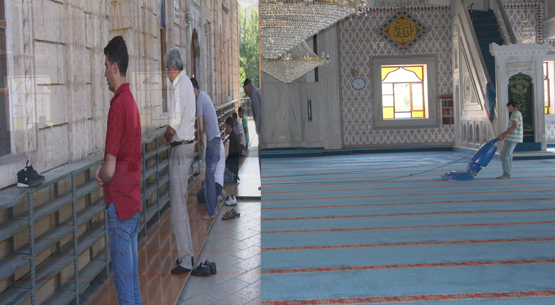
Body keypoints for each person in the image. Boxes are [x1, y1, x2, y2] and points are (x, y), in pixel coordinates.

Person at [95, 36, 142, 304]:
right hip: (132, 204)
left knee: (124, 290)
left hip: (120, 209)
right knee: (133, 285)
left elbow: (110, 169)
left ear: (114, 66)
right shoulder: (132, 104)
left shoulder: (117, 106)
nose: (103, 74)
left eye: (104, 66)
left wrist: (99, 175)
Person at [163, 48, 196, 274]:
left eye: (166, 69)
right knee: (181, 205)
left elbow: (172, 127)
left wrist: (166, 138)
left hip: (180, 148)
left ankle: (186, 259)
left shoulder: (178, 87)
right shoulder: (186, 85)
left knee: (177, 207)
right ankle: (188, 254)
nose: (166, 73)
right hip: (187, 147)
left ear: (173, 67)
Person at [190, 77, 220, 220]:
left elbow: (200, 127)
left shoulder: (200, 99)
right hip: (215, 141)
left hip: (213, 143)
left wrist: (199, 142)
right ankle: (213, 209)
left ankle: (211, 213)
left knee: (208, 180)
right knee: (209, 179)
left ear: (194, 89)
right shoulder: (204, 95)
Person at [496, 101, 523, 179]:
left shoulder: (515, 114)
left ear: (511, 106)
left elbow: (514, 126)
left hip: (512, 138)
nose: (508, 109)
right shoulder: (518, 113)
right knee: (508, 156)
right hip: (513, 137)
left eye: (508, 107)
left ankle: (506, 174)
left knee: (504, 156)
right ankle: (508, 174)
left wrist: (504, 134)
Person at [243, 78, 261, 189]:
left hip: (263, 129)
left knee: (261, 155)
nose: (246, 94)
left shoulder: (254, 94)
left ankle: (263, 182)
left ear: (249, 87)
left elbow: (258, 114)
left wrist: (258, 129)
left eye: (245, 91)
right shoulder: (257, 91)